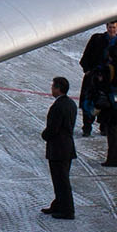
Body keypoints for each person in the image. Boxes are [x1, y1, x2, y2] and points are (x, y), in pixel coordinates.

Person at [84, 20, 117, 166]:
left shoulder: (108, 69)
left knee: (112, 131)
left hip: (112, 102)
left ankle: (113, 159)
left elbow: (103, 84)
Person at [40, 75, 77, 218]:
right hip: (67, 146)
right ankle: (59, 204)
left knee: (61, 180)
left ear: (58, 88)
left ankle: (67, 210)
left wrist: (45, 135)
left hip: (58, 148)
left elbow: (53, 128)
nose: (51, 89)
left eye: (53, 86)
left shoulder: (58, 106)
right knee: (61, 178)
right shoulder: (70, 104)